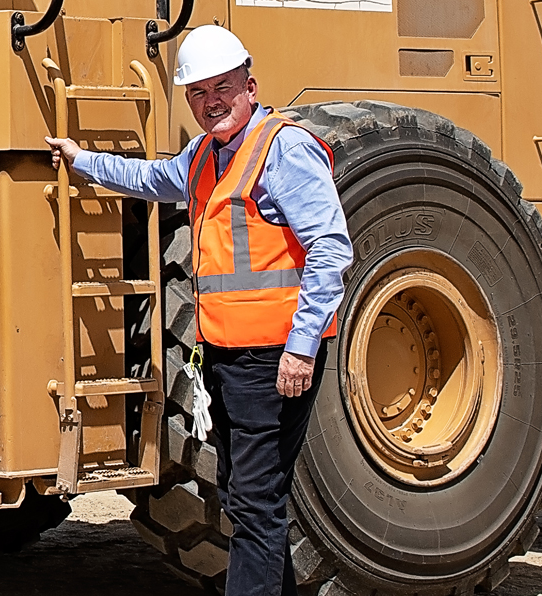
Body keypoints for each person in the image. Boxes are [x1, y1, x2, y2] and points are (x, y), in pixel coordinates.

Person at [45, 25, 353, 596]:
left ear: (250, 87)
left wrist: (302, 347)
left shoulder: (284, 150)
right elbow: (149, 178)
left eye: (222, 88)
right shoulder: (203, 156)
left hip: (275, 359)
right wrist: (83, 160)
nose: (211, 102)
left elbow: (331, 249)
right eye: (198, 92)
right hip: (228, 358)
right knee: (246, 495)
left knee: (254, 503)